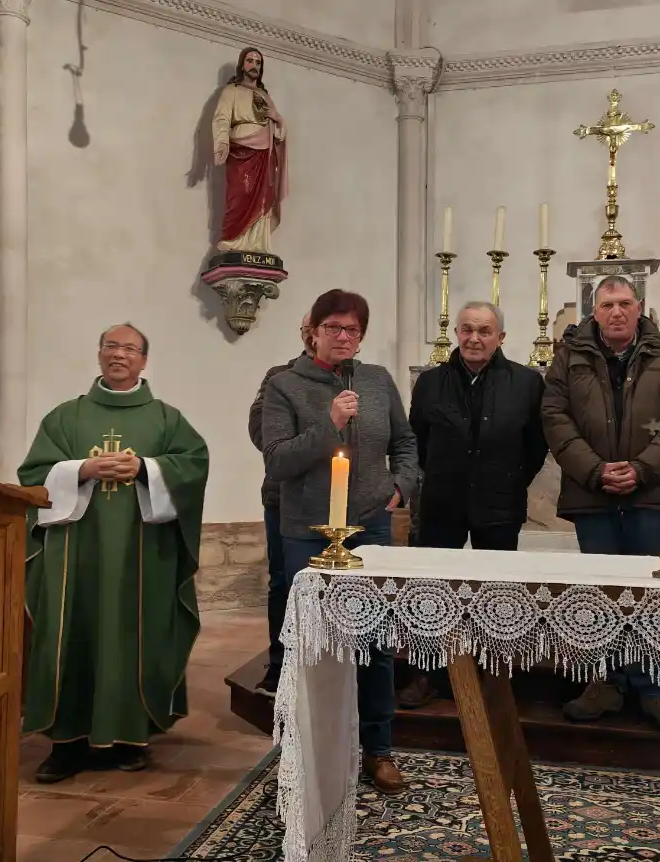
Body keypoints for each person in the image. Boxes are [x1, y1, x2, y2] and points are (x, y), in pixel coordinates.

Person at [19, 323, 209, 783]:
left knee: (135, 632)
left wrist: (146, 467)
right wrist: (81, 468)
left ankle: (129, 736)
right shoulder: (64, 417)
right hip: (75, 552)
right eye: (110, 346)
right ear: (99, 354)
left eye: (129, 348)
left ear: (144, 361)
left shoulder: (166, 419)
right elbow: (34, 476)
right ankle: (65, 743)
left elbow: (194, 464)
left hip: (142, 554)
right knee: (71, 633)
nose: (118, 354)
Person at [262, 289, 418, 793]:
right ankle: (302, 749)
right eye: (334, 328)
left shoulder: (376, 380)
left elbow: (405, 442)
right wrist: (329, 424)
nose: (344, 337)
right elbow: (279, 460)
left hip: (369, 522)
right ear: (314, 331)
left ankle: (378, 748)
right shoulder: (284, 385)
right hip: (306, 528)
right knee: (308, 642)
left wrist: (401, 487)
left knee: (374, 640)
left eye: (353, 330)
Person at [542, 275, 660, 733]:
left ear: (640, 307)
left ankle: (655, 688)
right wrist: (595, 470)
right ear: (594, 311)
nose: (616, 311)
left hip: (651, 495)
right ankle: (604, 683)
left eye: (624, 303)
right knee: (602, 593)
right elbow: (554, 417)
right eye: (607, 303)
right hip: (593, 495)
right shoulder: (568, 357)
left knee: (652, 593)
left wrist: (642, 469)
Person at [400, 301, 547, 707]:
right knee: (430, 591)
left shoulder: (526, 383)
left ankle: (492, 676)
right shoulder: (430, 383)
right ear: (457, 334)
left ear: (501, 337)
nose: (474, 338)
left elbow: (535, 445)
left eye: (484, 330)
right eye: (467, 329)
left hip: (499, 504)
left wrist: (510, 480)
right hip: (441, 503)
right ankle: (425, 672)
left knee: (495, 594)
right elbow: (419, 443)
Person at [247, 311, 312, 697]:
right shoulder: (278, 377)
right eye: (306, 329)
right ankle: (280, 662)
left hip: (340, 499)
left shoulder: (359, 378)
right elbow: (259, 428)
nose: (312, 335)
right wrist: (307, 443)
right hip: (283, 495)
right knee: (284, 582)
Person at [212, 47, 288, 254]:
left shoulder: (265, 96)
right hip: (241, 151)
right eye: (250, 61)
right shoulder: (232, 91)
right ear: (242, 64)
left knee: (262, 197)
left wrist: (279, 120)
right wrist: (221, 143)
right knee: (241, 193)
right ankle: (235, 240)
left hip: (265, 153)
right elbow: (222, 118)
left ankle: (257, 245)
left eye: (258, 63)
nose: (254, 66)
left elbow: (279, 134)